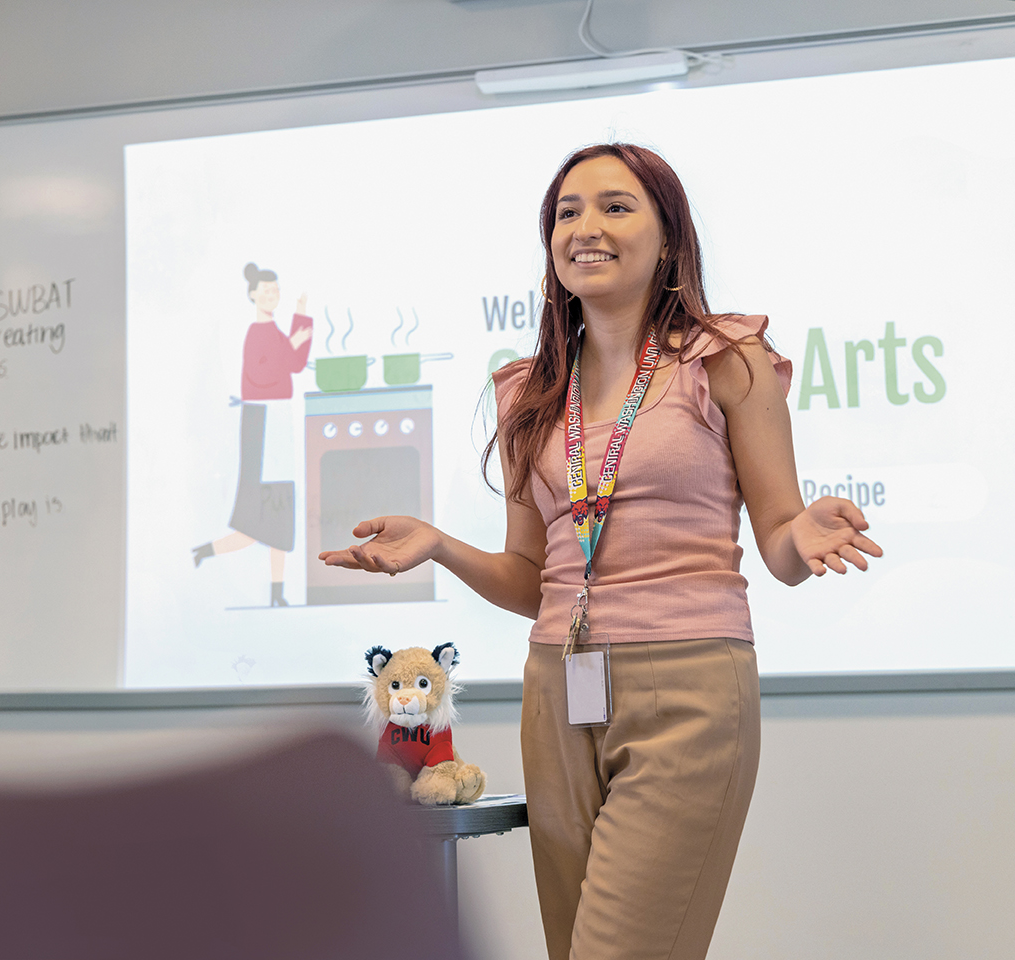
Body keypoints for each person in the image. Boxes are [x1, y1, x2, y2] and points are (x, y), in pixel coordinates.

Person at [320, 143, 881, 960]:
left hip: (687, 686)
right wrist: (439, 546)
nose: (585, 227)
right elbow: (529, 579)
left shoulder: (725, 358)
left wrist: (803, 534)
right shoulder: (525, 388)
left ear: (668, 238)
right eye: (566, 211)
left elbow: (779, 544)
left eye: (616, 207)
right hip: (556, 689)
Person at [194, 262, 314, 607]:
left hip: (278, 423)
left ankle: (277, 594)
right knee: (258, 523)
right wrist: (293, 339)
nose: (272, 295)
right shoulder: (255, 334)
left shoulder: (275, 331)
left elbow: (294, 363)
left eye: (276, 290)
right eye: (266, 291)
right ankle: (207, 553)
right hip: (261, 424)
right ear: (252, 295)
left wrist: (301, 317)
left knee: (280, 519)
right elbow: (263, 375)